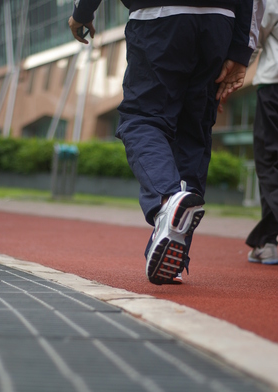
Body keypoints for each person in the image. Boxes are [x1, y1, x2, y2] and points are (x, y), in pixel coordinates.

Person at [69, 0, 265, 284]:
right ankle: (174, 252)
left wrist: (82, 12)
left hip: (158, 18)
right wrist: (241, 49)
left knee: (141, 119)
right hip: (219, 23)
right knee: (193, 135)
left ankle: (166, 200)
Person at [246, 0, 278, 265]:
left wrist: (235, 71)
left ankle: (270, 241)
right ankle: (269, 240)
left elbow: (255, 35)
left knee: (269, 161)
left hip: (274, 84)